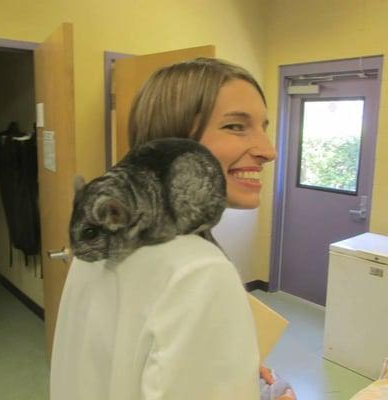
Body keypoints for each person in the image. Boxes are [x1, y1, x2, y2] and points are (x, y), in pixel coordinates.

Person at [50, 58, 295, 400]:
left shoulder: (102, 243)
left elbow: (112, 364)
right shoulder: (200, 270)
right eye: (236, 127)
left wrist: (218, 366)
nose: (269, 151)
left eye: (263, 126)